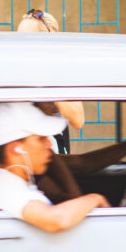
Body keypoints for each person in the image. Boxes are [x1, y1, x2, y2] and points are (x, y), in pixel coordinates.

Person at [0, 102, 108, 232]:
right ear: (16, 149)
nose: (49, 145)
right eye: (40, 139)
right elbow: (56, 220)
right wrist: (95, 198)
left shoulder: (14, 183)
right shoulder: (3, 186)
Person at [16, 9, 85, 149]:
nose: (21, 44)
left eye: (27, 38)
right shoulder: (15, 69)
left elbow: (78, 120)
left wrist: (47, 79)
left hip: (52, 153)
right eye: (18, 37)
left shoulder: (61, 72)